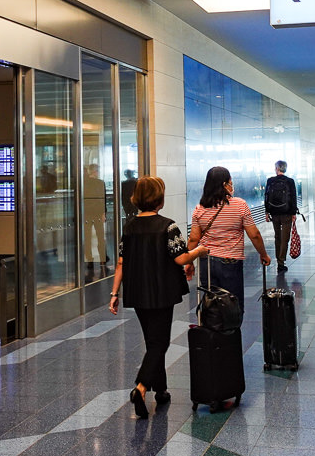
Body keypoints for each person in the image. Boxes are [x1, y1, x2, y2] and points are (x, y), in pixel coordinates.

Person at [109, 176, 209, 419]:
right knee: (159, 343)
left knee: (153, 339)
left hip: (137, 291)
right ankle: (141, 387)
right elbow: (181, 258)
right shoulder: (168, 226)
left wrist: (114, 293)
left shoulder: (129, 227)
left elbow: (121, 263)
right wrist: (199, 250)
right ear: (159, 199)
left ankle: (161, 390)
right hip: (162, 291)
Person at [188, 166, 270, 313]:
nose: (232, 186)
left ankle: (213, 333)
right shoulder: (240, 205)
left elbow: (194, 239)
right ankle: (231, 335)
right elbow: (254, 235)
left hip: (207, 262)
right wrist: (263, 254)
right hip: (230, 262)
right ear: (225, 185)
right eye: (230, 182)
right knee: (233, 306)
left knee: (210, 305)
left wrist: (189, 262)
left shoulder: (200, 208)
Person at [264, 160, 299, 272]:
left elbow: (266, 196)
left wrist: (267, 212)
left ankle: (279, 260)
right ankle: (281, 262)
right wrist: (294, 213)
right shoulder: (290, 181)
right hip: (287, 213)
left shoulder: (270, 181)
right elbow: (293, 198)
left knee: (277, 237)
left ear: (276, 169)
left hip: (274, 213)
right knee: (285, 238)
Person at [83, 163, 108, 273]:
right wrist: (103, 213)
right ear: (95, 172)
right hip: (98, 213)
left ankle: (89, 259)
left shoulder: (83, 183)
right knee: (100, 237)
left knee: (87, 237)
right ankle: (103, 259)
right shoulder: (100, 183)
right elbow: (103, 198)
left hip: (87, 213)